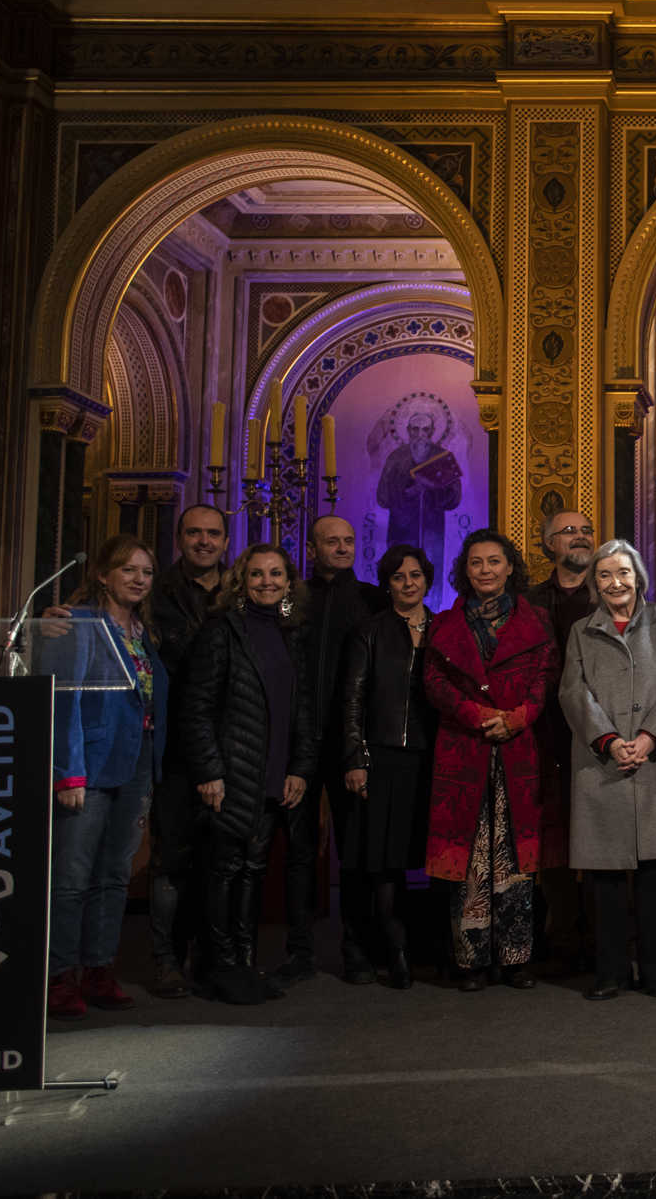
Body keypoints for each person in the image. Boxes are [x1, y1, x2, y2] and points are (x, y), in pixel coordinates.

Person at [560, 539, 656, 1000]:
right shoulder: (582, 631)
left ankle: (655, 970)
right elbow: (573, 693)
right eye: (604, 575)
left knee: (654, 875)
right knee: (604, 877)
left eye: (623, 573)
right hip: (603, 763)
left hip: (654, 759)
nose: (615, 582)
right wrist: (608, 740)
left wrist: (647, 738)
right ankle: (610, 971)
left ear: (638, 577)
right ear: (594, 584)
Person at [180, 544, 318, 1005]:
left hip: (274, 771)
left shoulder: (290, 631)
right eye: (256, 574)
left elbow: (300, 708)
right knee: (223, 870)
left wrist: (299, 768)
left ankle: (244, 962)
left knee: (253, 870)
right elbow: (196, 706)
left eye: (276, 574)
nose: (266, 582)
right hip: (230, 772)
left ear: (288, 581)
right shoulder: (222, 631)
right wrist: (209, 772)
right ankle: (220, 967)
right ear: (241, 580)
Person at [423, 530, 559, 991]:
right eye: (476, 563)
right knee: (471, 858)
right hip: (465, 748)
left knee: (517, 859)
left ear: (509, 568)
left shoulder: (536, 622)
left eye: (494, 562)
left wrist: (519, 717)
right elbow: (435, 685)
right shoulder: (443, 624)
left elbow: (545, 679)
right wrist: (478, 715)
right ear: (465, 570)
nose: (485, 570)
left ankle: (517, 958)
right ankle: (472, 961)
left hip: (519, 750)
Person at [46, 535, 171, 1018]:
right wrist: (68, 773)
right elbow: (64, 701)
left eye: (147, 572)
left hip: (137, 763)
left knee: (114, 875)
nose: (139, 579)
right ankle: (60, 977)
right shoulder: (76, 625)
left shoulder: (143, 630)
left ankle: (99, 969)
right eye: (128, 570)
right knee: (73, 877)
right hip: (90, 767)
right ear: (102, 574)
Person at [273, 514, 385, 992]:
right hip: (298, 742)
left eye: (348, 540)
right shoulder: (291, 599)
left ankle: (357, 952)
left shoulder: (372, 600)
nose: (342, 548)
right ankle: (299, 952)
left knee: (354, 853)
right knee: (298, 851)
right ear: (312, 548)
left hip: (351, 743)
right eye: (331, 542)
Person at [339, 545, 440, 990]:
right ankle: (393, 950)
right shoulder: (371, 631)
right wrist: (355, 758)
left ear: (427, 580)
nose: (408, 583)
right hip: (381, 758)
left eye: (415, 575)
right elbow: (352, 699)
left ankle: (431, 948)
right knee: (383, 861)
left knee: (429, 857)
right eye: (399, 577)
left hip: (432, 758)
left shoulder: (443, 629)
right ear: (387, 583)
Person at [145, 502, 229, 999]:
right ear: (179, 538)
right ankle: (165, 959)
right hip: (174, 742)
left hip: (228, 742)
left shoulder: (240, 591)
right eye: (194, 533)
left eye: (213, 534)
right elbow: (107, 615)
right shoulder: (154, 591)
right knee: (171, 856)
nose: (204, 541)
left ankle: (210, 956)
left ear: (225, 540)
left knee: (218, 856)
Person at [526, 509, 599, 974]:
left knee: (598, 836)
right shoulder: (528, 601)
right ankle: (562, 931)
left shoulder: (612, 593)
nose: (578, 537)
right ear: (548, 544)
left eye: (586, 530)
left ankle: (601, 934)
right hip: (543, 733)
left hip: (599, 734)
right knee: (550, 836)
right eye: (567, 532)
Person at [376, 410, 462, 590]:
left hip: (432, 531)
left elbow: (454, 499)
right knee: (399, 573)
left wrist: (432, 488)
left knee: (430, 576)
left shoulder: (442, 457)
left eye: (425, 430)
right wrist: (409, 491)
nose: (420, 435)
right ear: (408, 431)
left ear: (432, 431)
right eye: (415, 429)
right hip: (401, 531)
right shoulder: (396, 458)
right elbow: (383, 498)